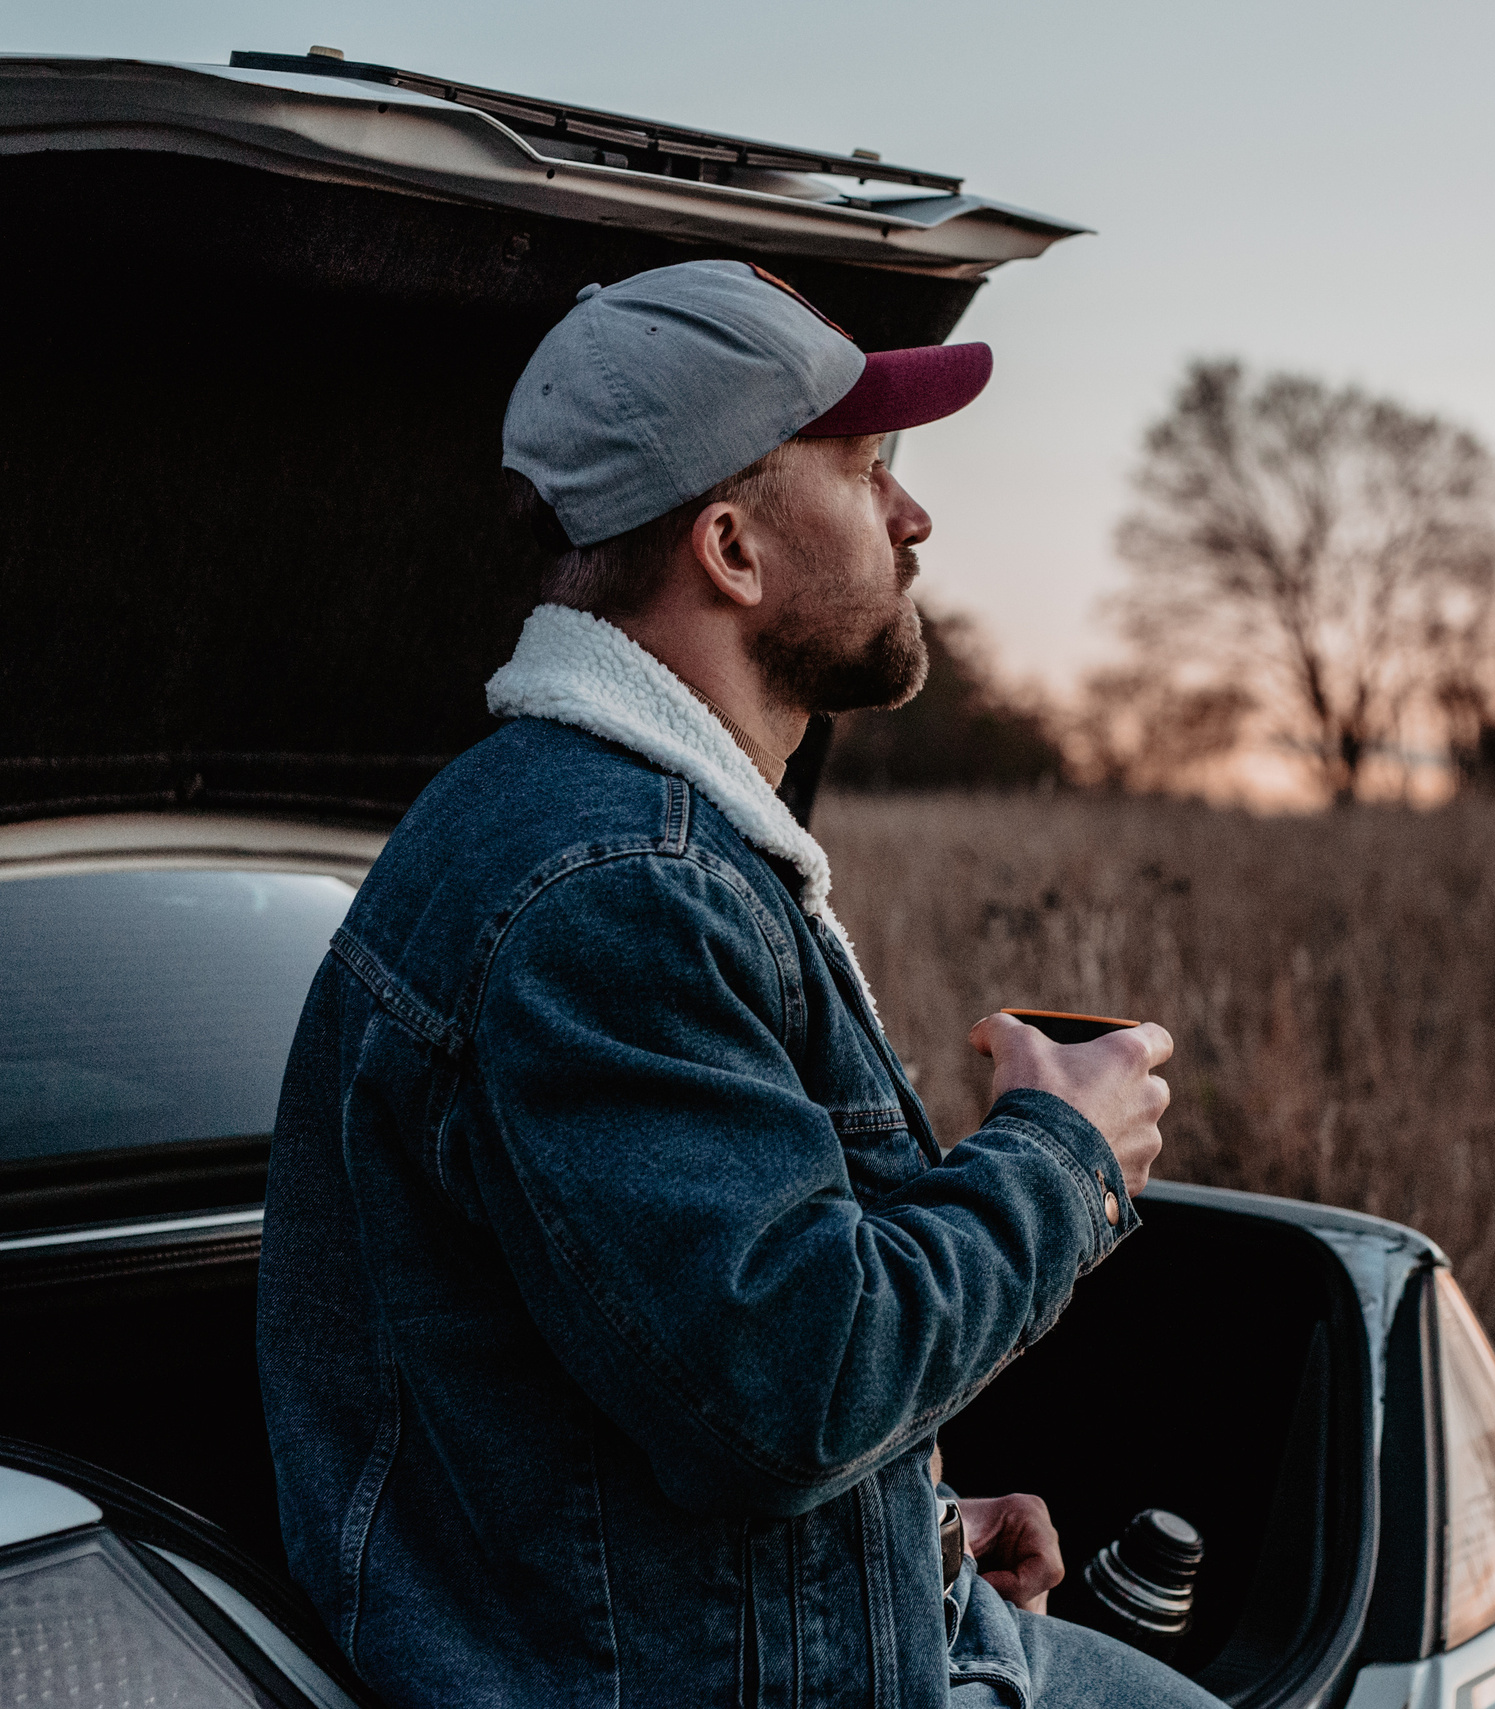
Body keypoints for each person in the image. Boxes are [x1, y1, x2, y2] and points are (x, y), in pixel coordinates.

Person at [257, 259, 1224, 1709]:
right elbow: (792, 1390)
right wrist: (1064, 1157)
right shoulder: (615, 891)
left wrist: (901, 1533)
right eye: (865, 468)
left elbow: (660, 1361)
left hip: (837, 1631)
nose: (913, 514)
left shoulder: (609, 836)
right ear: (732, 549)